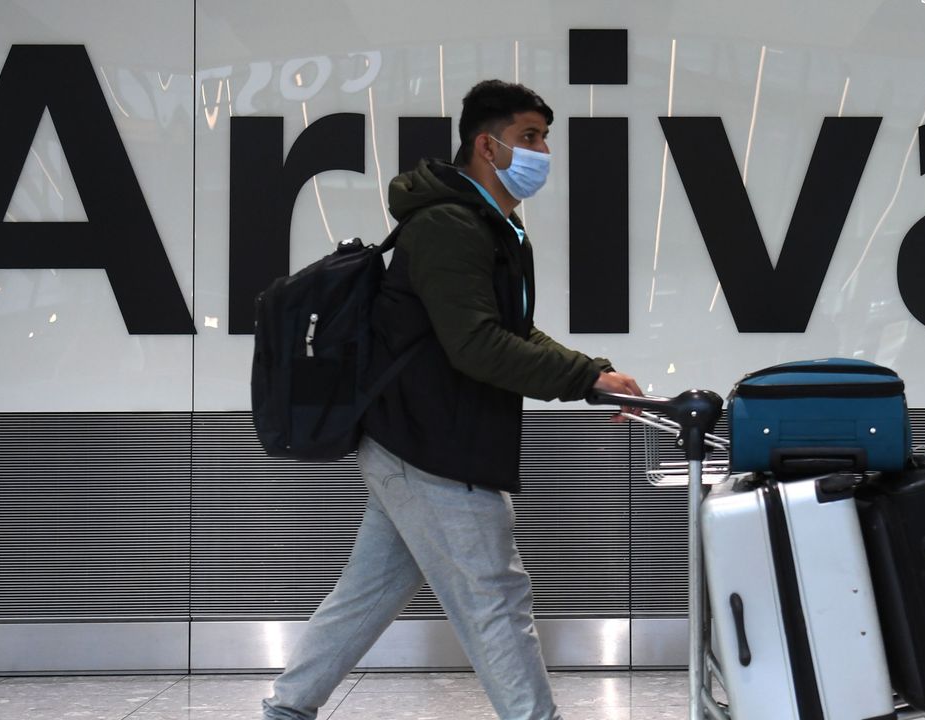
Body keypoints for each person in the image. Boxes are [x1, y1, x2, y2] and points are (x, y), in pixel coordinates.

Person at [262, 80, 642, 720]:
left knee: (370, 590)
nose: (542, 150)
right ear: (486, 146)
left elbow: (506, 331)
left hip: (420, 434)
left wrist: (594, 372)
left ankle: (287, 709)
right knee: (495, 594)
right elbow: (476, 345)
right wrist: (583, 380)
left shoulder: (493, 225)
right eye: (529, 137)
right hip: (430, 442)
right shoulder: (448, 225)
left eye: (545, 137)